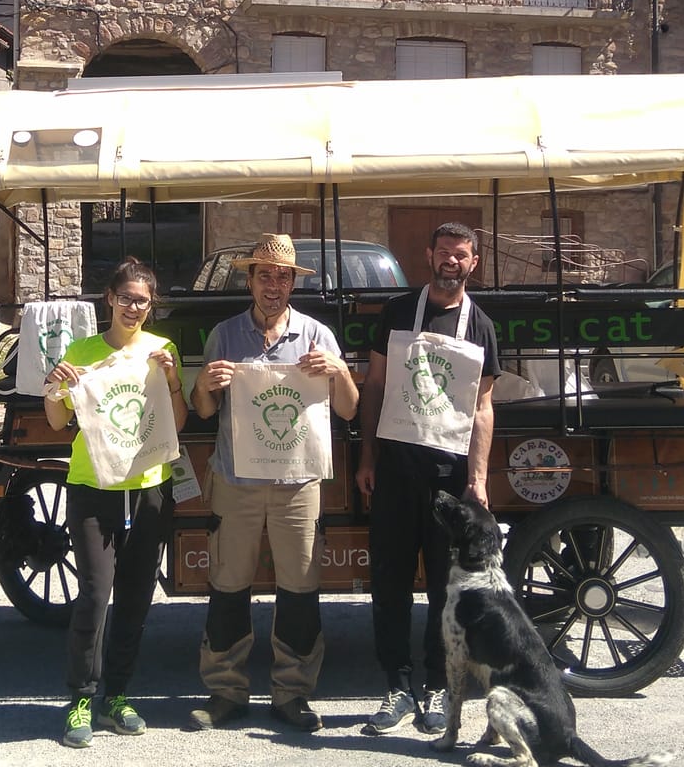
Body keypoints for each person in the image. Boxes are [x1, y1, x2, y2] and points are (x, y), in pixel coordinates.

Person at [188, 234, 358, 734]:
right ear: (250, 280)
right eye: (265, 274)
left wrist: (339, 371)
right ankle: (225, 690)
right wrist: (203, 385)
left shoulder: (317, 335)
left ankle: (292, 693)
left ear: (292, 284)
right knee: (227, 586)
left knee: (300, 589)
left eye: (283, 276)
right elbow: (202, 411)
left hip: (297, 482)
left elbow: (348, 408)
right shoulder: (224, 334)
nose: (274, 284)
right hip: (236, 480)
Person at [354, 222, 502, 737]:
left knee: (444, 589)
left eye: (460, 256)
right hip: (395, 467)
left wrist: (478, 480)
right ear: (428, 255)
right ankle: (396, 686)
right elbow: (373, 386)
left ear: (473, 262)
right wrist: (367, 456)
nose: (451, 263)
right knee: (389, 583)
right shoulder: (397, 313)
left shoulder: (481, 325)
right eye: (443, 253)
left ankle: (438, 685)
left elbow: (483, 406)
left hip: (449, 478)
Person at [44, 257, 188, 749]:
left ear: (152, 306)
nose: (133, 307)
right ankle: (81, 698)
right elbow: (58, 421)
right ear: (109, 298)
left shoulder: (161, 348)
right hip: (92, 485)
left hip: (149, 486)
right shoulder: (82, 351)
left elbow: (179, 423)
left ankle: (117, 696)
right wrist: (55, 386)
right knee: (93, 594)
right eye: (125, 297)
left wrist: (171, 379)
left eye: (142, 300)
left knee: (135, 597)